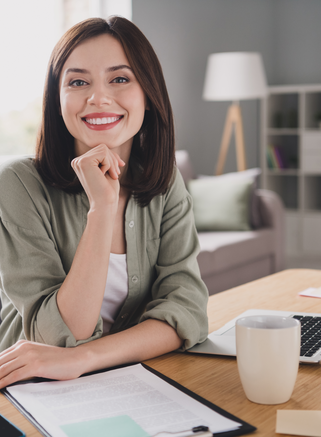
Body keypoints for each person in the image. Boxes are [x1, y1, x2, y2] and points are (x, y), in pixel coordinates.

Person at [0, 16, 208, 388]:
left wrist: (85, 358)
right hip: (29, 387)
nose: (97, 97)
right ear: (57, 98)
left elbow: (187, 311)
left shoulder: (165, 180)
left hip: (119, 378)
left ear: (148, 92)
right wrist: (101, 209)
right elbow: (61, 335)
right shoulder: (18, 184)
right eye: (78, 81)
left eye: (120, 78)